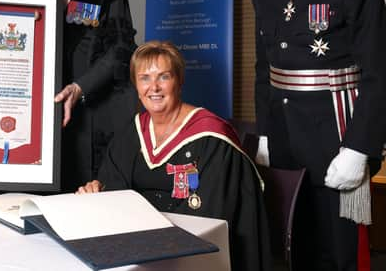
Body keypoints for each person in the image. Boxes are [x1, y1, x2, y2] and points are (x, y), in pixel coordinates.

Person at [253, 0, 386, 270]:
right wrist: (264, 133)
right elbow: (265, 70)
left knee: (340, 252)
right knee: (295, 248)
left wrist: (360, 147)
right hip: (284, 139)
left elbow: (378, 73)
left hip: (337, 137)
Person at [77, 40, 271, 271]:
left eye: (164, 77)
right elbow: (114, 187)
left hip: (187, 249)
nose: (154, 87)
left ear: (179, 81)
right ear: (136, 87)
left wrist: (146, 232)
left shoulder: (212, 139)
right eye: (145, 78)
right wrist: (97, 193)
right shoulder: (133, 132)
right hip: (138, 244)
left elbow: (210, 215)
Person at [0, 0, 137, 191]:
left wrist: (80, 87)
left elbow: (122, 49)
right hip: (35, 117)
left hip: (91, 116)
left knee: (84, 206)